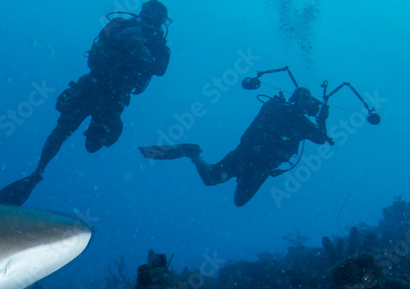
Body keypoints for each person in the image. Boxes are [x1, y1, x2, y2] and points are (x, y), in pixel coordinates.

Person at [0, 0, 171, 207]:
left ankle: (45, 168)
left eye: (154, 18)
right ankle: (37, 173)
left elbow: (160, 69)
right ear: (142, 13)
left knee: (93, 145)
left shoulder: (160, 47)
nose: (149, 20)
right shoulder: (122, 25)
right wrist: (123, 40)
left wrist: (141, 49)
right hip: (92, 86)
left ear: (161, 22)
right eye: (147, 15)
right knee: (61, 130)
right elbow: (95, 52)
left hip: (114, 98)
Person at [139, 87, 332, 206]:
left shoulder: (277, 107)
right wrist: (322, 119)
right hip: (257, 163)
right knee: (235, 197)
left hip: (247, 156)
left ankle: (193, 152)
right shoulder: (301, 122)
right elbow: (322, 139)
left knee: (215, 180)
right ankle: (192, 152)